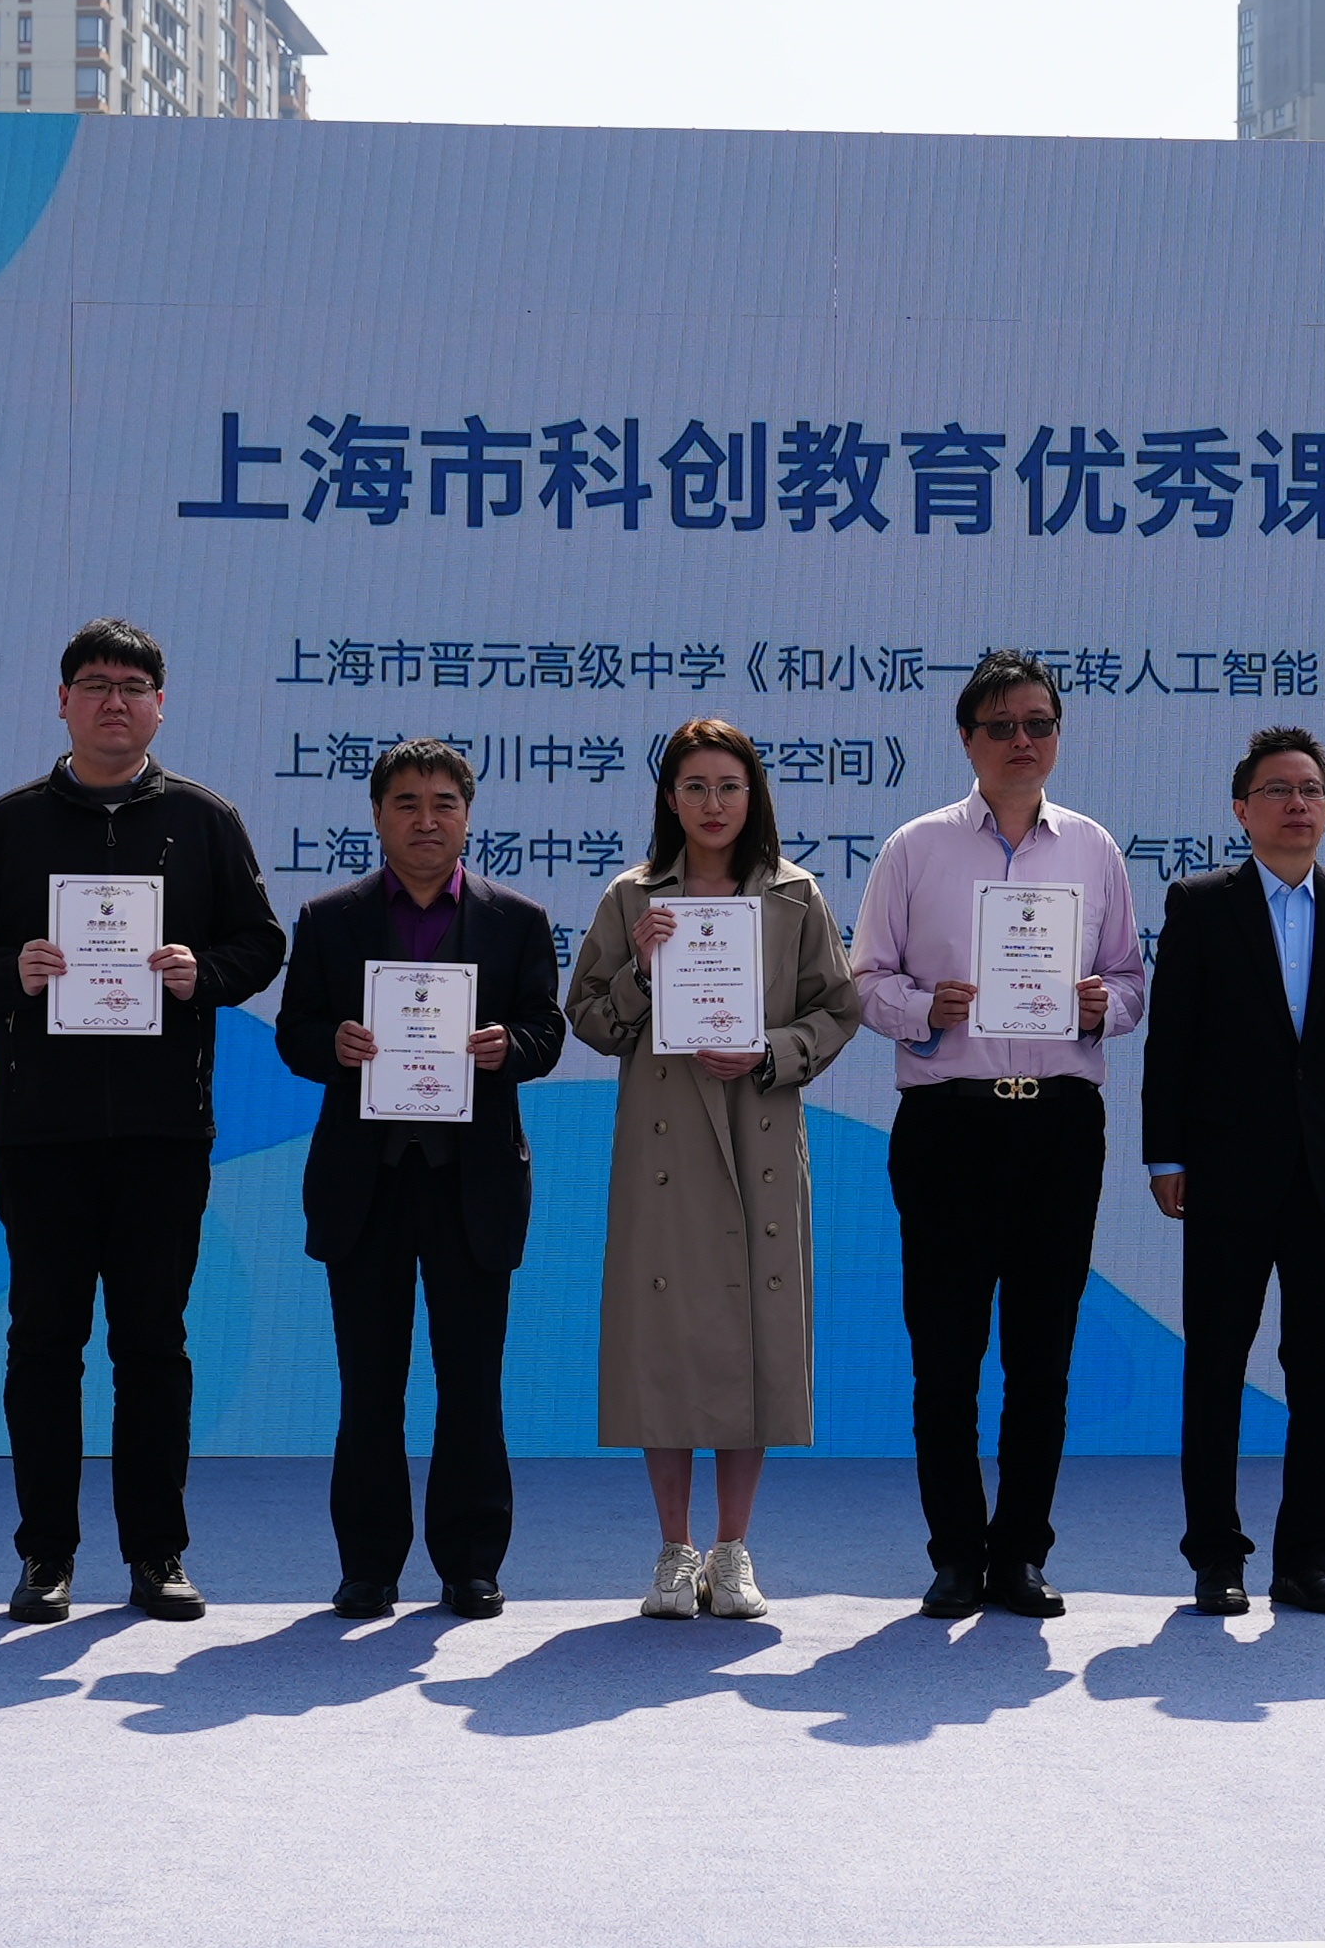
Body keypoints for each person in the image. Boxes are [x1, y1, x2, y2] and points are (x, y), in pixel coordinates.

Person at [0, 618, 285, 1626]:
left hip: (166, 1129)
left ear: (161, 706)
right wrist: (11, 971)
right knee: (45, 1342)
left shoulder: (205, 821)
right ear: (63, 702)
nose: (113, 701)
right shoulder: (8, 826)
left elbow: (261, 943)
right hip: (40, 1130)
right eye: (94, 684)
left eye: (132, 686)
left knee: (153, 1344)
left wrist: (204, 973)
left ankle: (158, 1554)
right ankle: (45, 1555)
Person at [847, 648, 1148, 1621]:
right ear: (967, 740)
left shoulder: (1093, 849)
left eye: (1039, 723)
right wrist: (923, 1007)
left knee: (1041, 1356)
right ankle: (955, 1554)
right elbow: (863, 982)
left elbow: (1131, 980)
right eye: (1003, 726)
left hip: (1059, 1124)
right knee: (945, 1354)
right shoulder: (916, 848)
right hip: (949, 1123)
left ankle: (1020, 1554)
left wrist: (1105, 1006)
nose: (1024, 741)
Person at [564, 718, 863, 1621]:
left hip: (756, 1127)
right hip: (663, 1146)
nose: (713, 803)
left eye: (729, 786)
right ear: (669, 798)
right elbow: (589, 1018)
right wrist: (641, 970)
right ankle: (673, 1549)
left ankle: (732, 1550)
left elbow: (837, 1008)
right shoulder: (632, 896)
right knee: (663, 1341)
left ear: (753, 795)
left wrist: (772, 1050)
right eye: (694, 786)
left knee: (752, 1335)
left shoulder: (795, 894)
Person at [275, 740, 567, 1621]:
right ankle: (368, 1566)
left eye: (443, 803)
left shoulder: (518, 919)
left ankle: (471, 1562)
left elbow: (546, 1032)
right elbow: (294, 1033)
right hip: (364, 1182)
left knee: (472, 1382)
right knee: (369, 1384)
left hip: (471, 1181)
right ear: (377, 816)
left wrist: (508, 1047)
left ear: (468, 816)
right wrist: (333, 1044)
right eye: (406, 803)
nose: (426, 819)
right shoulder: (329, 918)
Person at [1142, 725, 1325, 1617]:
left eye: (1311, 790)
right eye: (1278, 790)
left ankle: (1307, 1560)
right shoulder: (1201, 903)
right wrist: (1166, 1153)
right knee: (1216, 1366)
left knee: (1322, 1371)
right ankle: (1216, 1557)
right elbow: (1172, 1040)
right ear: (1241, 810)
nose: (1298, 804)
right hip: (1225, 1169)